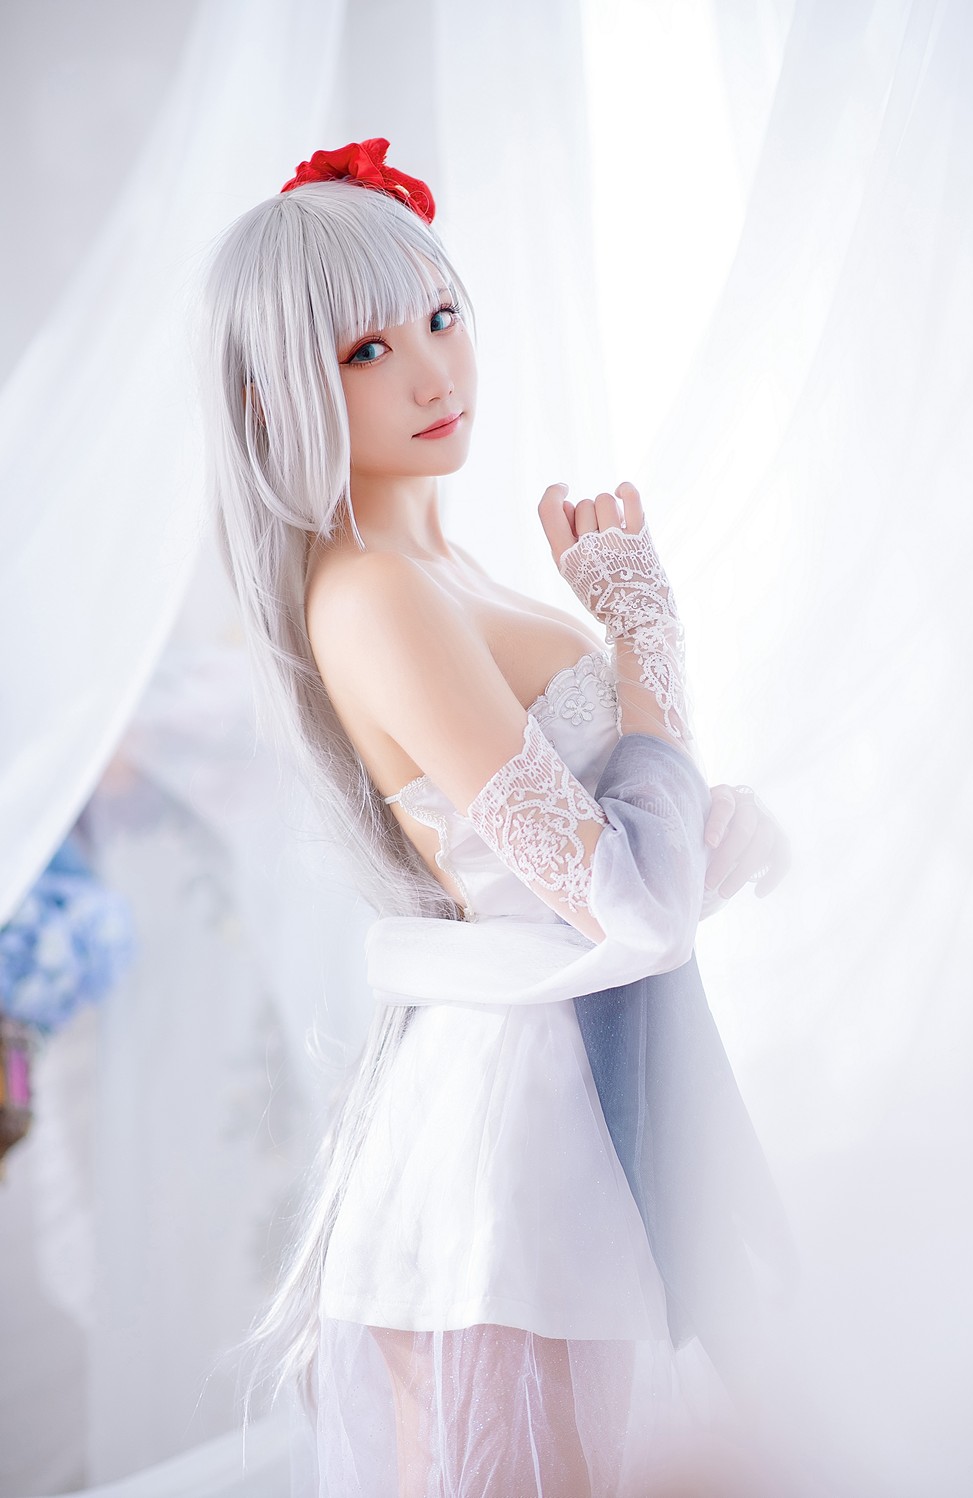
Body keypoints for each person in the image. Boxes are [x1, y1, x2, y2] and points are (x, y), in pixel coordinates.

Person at [200, 138, 791, 1498]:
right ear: (275, 393)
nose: (432, 372)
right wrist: (644, 633)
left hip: (572, 1069)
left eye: (441, 315)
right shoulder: (379, 595)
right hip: (523, 1119)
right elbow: (628, 904)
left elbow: (617, 867)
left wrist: (706, 825)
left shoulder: (443, 565)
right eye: (366, 349)